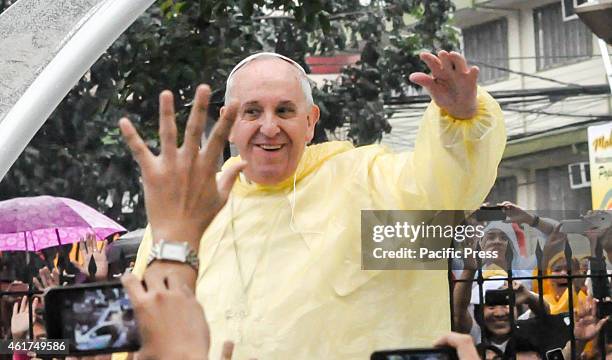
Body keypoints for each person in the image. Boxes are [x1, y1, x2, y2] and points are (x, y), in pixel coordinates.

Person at [119, 50, 506, 358]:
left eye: (284, 110)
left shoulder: (367, 187)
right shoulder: (192, 207)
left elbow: (446, 188)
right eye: (252, 111)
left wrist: (461, 118)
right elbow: (145, 326)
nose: (269, 127)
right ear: (228, 122)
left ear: (310, 121)